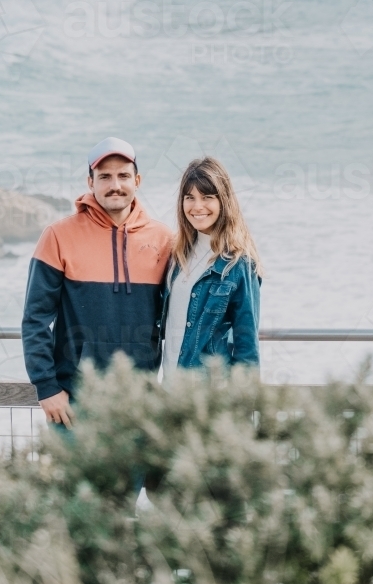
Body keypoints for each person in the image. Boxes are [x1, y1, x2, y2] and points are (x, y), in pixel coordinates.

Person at [21, 137, 173, 428]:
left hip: (141, 401)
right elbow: (35, 319)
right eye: (105, 176)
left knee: (136, 477)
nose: (115, 184)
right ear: (90, 182)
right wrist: (47, 387)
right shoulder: (58, 236)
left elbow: (178, 319)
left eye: (123, 175)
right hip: (74, 401)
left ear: (137, 180)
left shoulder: (164, 239)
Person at [162, 156, 262, 375]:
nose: (197, 206)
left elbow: (247, 348)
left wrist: (242, 404)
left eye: (207, 197)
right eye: (190, 197)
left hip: (210, 396)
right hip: (170, 394)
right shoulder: (177, 254)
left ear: (223, 201)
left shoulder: (239, 264)